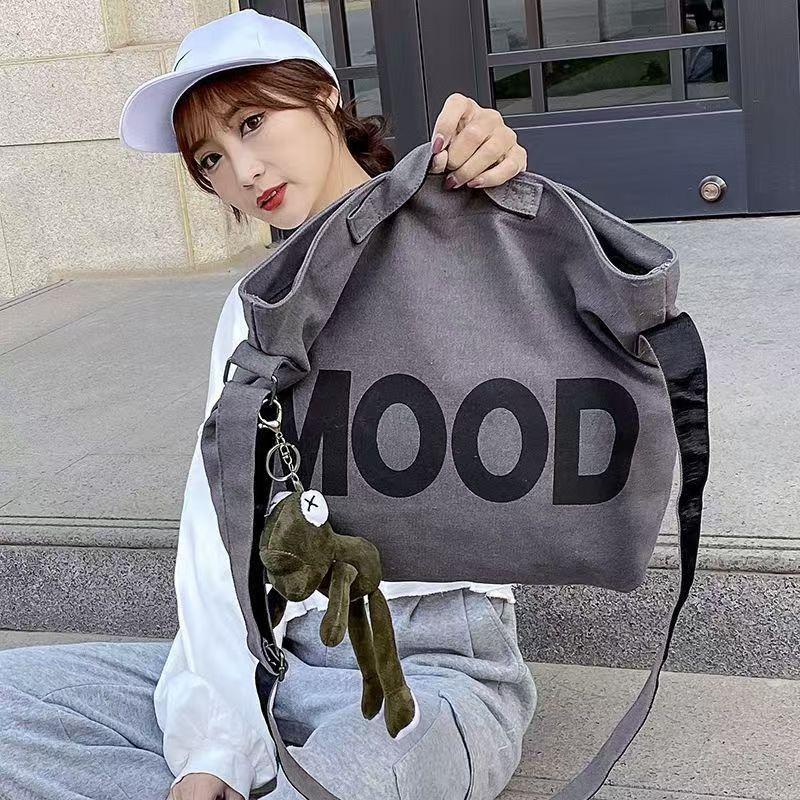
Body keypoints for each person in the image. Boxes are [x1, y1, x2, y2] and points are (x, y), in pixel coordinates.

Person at [0, 10, 537, 800]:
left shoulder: (454, 231)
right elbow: (216, 539)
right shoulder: (251, 310)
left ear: (323, 94)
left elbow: (564, 332)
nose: (244, 172)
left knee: (374, 766)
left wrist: (499, 182)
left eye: (253, 122)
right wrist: (214, 746)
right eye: (211, 157)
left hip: (430, 671)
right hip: (276, 662)